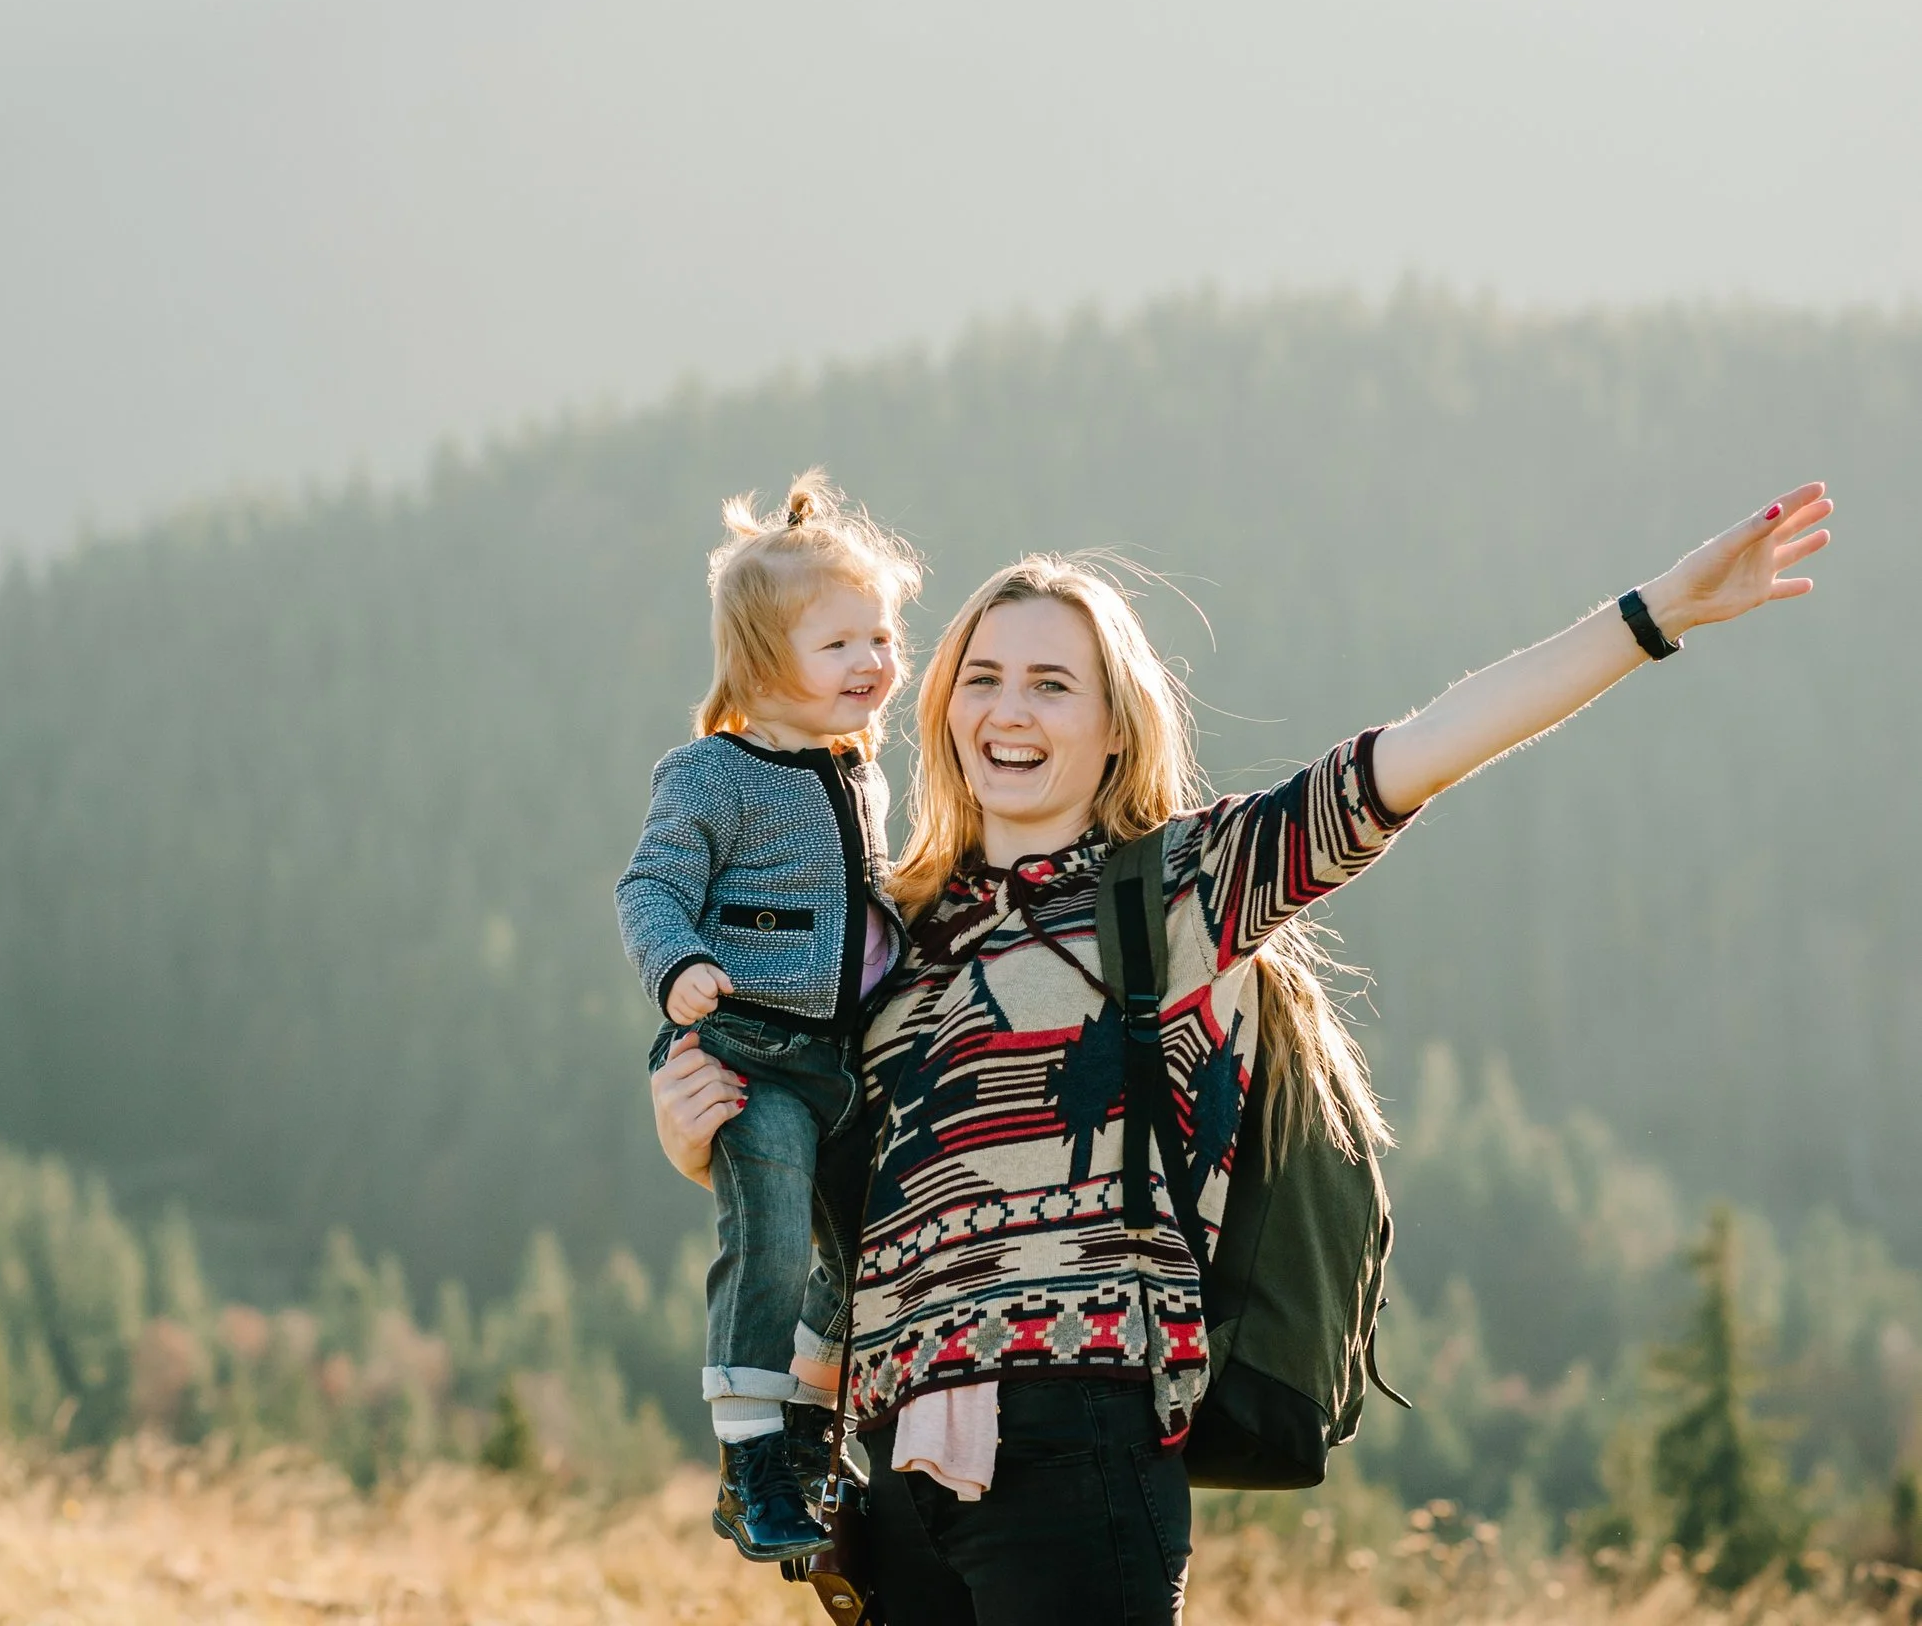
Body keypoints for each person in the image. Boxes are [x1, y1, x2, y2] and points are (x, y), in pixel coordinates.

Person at [651, 485, 1835, 1622]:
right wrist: (697, 1141)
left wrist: (1655, 615)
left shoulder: (1179, 888)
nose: (1007, 710)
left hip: (1080, 1435)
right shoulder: (883, 937)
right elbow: (828, 1199)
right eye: (984, 677)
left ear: (1113, 727)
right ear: (943, 707)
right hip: (888, 1460)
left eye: (1051, 684)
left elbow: (1415, 753)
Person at [614, 469, 923, 1561]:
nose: (872, 662)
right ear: (758, 661)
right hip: (749, 1051)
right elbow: (647, 887)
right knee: (774, 1238)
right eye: (838, 644)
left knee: (863, 1253)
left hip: (845, 1060)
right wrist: (679, 966)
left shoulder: (860, 773)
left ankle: (801, 1422)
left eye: (881, 637)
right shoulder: (712, 773)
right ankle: (751, 1458)